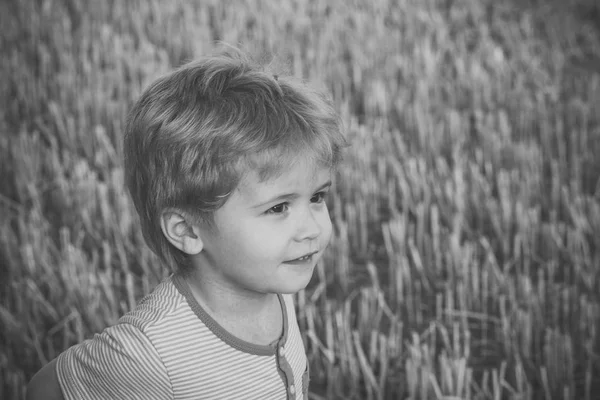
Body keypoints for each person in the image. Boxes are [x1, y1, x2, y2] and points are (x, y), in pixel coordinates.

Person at [26, 47, 346, 399]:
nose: (312, 229)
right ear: (187, 230)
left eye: (317, 198)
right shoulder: (151, 350)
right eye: (278, 208)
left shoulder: (275, 287)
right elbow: (45, 389)